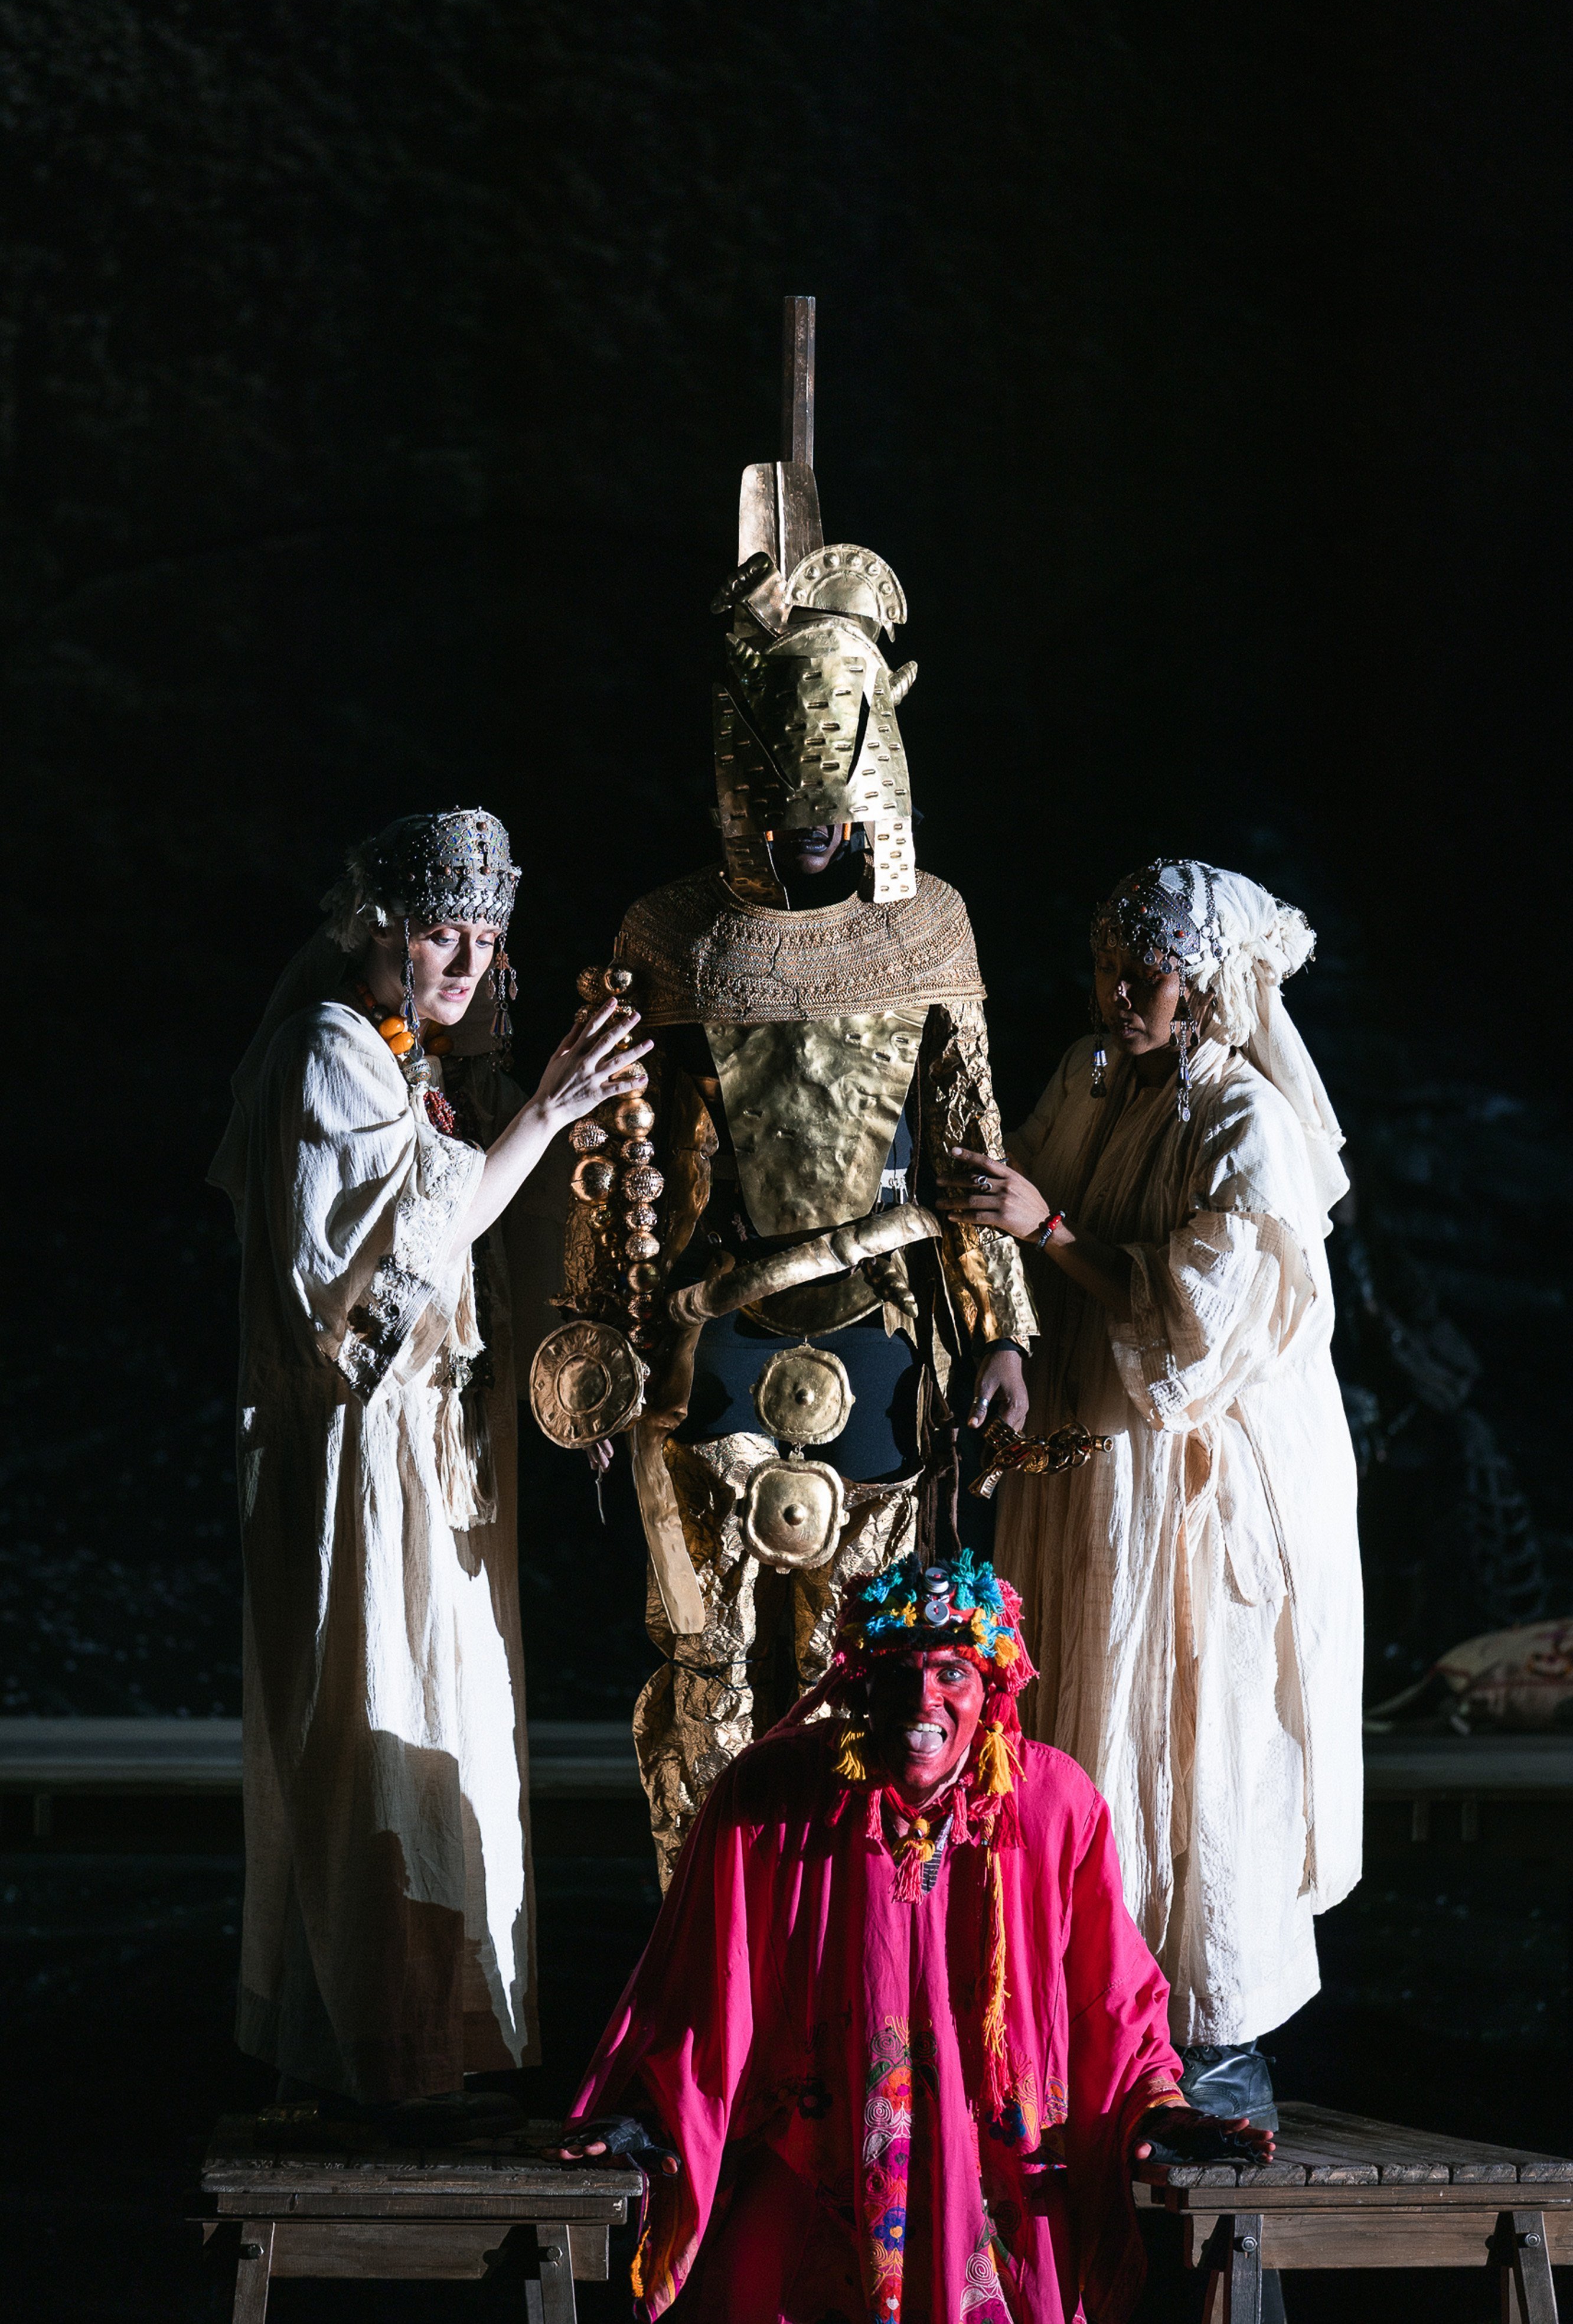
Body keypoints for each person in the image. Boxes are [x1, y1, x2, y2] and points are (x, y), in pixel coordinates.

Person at [551, 451, 1036, 1882]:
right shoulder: (676, 935)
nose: (804, 837)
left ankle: (863, 1970)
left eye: (826, 813)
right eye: (782, 815)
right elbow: (622, 1151)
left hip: (886, 1340)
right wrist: (598, 1330)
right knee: (709, 1668)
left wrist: (1002, 1323)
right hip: (715, 1341)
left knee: (883, 1675)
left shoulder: (930, 933)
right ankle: (703, 1975)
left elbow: (969, 1143)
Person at [208, 807, 648, 2105]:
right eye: (441, 935)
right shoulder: (332, 1053)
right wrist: (540, 1117)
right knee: (371, 1713)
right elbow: (374, 1279)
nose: (465, 963)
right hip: (358, 1458)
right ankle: (377, 2055)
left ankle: (431, 2050)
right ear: (381, 931)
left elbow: (495, 1241)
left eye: (486, 938)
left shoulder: (433, 1072)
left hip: (441, 1460)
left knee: (445, 1717)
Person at [555, 1551, 1273, 2322]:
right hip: (813, 2165)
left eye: (949, 1675)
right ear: (860, 1682)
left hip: (995, 2180)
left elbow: (1112, 1991)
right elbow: (699, 1979)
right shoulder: (772, 1794)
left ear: (991, 1686)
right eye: (898, 1673)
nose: (920, 1698)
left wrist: (1156, 2105)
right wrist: (654, 2109)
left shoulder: (1054, 1803)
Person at [943, 858, 1362, 2125]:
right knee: (1075, 1709)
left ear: (1210, 984)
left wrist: (1052, 1233)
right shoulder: (1089, 1078)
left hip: (1188, 1485)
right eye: (1108, 966)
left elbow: (1197, 1328)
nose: (1119, 992)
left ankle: (1207, 2032)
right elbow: (1003, 1204)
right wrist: (1008, 1326)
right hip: (1083, 1463)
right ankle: (1071, 2014)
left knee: (1191, 1729)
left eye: (1150, 975)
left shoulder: (1249, 1125)